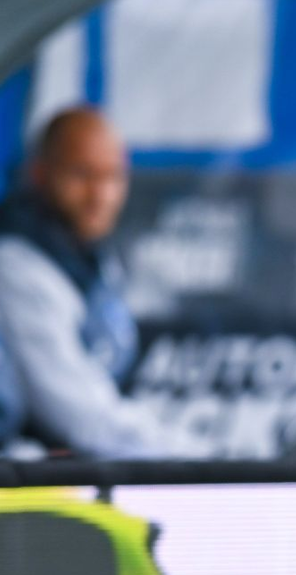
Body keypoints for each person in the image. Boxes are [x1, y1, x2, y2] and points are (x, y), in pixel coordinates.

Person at [0, 106, 201, 458]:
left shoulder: (92, 259)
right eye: (82, 174)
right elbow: (84, 420)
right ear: (39, 174)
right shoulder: (14, 265)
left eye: (113, 177)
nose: (100, 195)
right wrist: (206, 457)